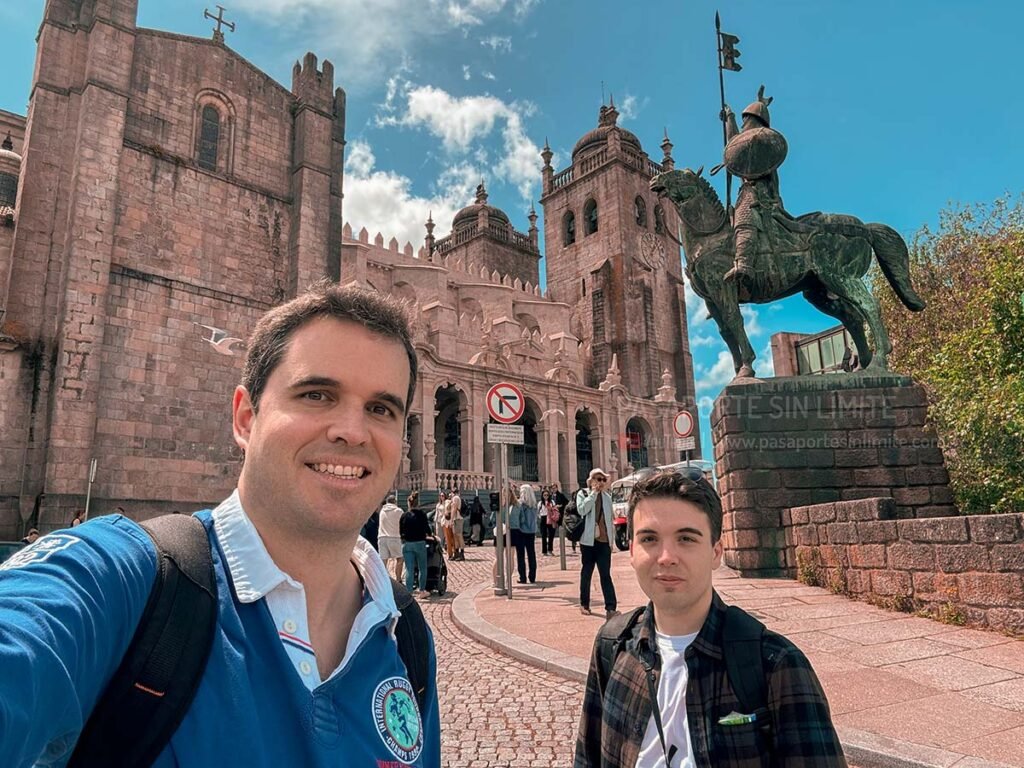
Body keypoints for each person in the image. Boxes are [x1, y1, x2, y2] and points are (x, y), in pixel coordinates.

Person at [0, 283, 441, 767]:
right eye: (317, 394)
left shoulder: (406, 636)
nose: (352, 432)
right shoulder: (124, 582)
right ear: (246, 418)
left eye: (381, 409)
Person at [575, 467, 846, 767]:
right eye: (649, 539)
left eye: (686, 539)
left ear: (716, 551)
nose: (666, 556)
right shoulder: (611, 646)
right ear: (632, 552)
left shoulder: (777, 665)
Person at [576, 468, 617, 618]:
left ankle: (611, 607)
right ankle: (584, 603)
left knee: (605, 574)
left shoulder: (607, 497)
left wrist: (611, 542)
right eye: (598, 479)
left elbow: (609, 521)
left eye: (603, 480)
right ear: (591, 481)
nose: (600, 482)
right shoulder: (583, 494)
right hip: (588, 541)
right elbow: (582, 510)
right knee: (586, 573)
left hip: (604, 541)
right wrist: (593, 494)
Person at [400, 492, 431, 596]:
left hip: (407, 544)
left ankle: (409, 592)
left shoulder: (404, 516)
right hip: (419, 543)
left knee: (409, 568)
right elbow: (427, 528)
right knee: (422, 567)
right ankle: (422, 590)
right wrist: (431, 535)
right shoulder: (422, 514)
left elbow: (400, 531)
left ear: (409, 504)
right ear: (418, 503)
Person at [509, 483, 538, 584]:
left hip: (521, 531)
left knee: (520, 555)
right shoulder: (534, 504)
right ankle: (532, 576)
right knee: (531, 554)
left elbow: (521, 519)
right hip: (532, 531)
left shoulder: (520, 504)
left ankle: (523, 577)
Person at [377, 493, 404, 583]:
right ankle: (398, 579)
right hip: (394, 537)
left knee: (383, 561)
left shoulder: (382, 511)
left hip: (382, 537)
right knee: (399, 559)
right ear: (395, 502)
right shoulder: (398, 511)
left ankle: (382, 581)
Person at [539, 489, 557, 555]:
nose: (546, 496)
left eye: (547, 495)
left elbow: (555, 509)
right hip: (543, 518)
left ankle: (550, 550)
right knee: (543, 535)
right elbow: (538, 511)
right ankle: (544, 551)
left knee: (551, 535)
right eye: (544, 495)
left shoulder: (552, 502)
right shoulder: (540, 503)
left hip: (550, 518)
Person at [449, 489, 465, 561]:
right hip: (456, 519)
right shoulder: (455, 498)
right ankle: (456, 553)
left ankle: (461, 554)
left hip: (458, 519)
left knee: (459, 535)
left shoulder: (456, 498)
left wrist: (451, 520)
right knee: (455, 536)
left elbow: (454, 509)